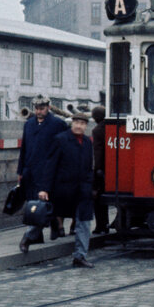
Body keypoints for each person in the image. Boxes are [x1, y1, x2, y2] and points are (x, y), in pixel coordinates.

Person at [17, 94, 67, 253]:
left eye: (42, 108)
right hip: (30, 170)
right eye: (37, 109)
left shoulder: (58, 124)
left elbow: (64, 148)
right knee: (33, 202)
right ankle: (48, 228)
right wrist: (20, 170)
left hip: (48, 171)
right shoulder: (29, 124)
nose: (39, 111)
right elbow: (24, 148)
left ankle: (29, 237)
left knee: (42, 204)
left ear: (48, 108)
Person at [46, 111, 96, 268]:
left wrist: (90, 184)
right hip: (63, 189)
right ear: (72, 123)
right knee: (45, 215)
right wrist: (44, 189)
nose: (79, 126)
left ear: (86, 126)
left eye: (82, 124)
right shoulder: (60, 140)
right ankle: (29, 237)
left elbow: (89, 166)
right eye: (76, 123)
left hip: (82, 190)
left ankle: (80, 256)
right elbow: (50, 166)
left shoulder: (87, 142)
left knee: (84, 222)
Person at [90, 105, 110, 235]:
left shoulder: (97, 130)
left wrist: (97, 169)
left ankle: (101, 226)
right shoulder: (111, 127)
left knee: (98, 199)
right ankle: (106, 224)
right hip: (113, 168)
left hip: (101, 169)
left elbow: (98, 152)